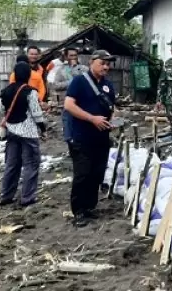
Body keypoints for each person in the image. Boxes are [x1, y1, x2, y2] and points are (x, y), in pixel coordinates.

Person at [63, 50, 117, 227]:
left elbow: (111, 109)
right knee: (83, 173)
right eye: (102, 63)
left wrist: (113, 121)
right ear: (92, 62)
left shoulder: (108, 85)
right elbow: (69, 105)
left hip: (101, 137)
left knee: (97, 173)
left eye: (108, 64)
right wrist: (91, 118)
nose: (106, 67)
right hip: (81, 136)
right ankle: (78, 211)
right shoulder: (80, 81)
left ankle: (89, 208)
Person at [0, 62, 46, 207]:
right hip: (28, 133)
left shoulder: (5, 91)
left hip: (12, 132)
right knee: (30, 164)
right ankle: (27, 197)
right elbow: (37, 114)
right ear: (29, 75)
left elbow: (1, 109)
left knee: (12, 165)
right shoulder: (30, 92)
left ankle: (6, 195)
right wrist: (43, 129)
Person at [52, 47, 89, 142]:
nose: (73, 57)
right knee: (68, 127)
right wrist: (69, 82)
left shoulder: (84, 69)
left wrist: (75, 72)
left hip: (83, 103)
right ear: (66, 56)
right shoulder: (61, 70)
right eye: (71, 55)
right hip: (67, 104)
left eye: (75, 55)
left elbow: (88, 82)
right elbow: (56, 85)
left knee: (83, 127)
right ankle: (71, 147)